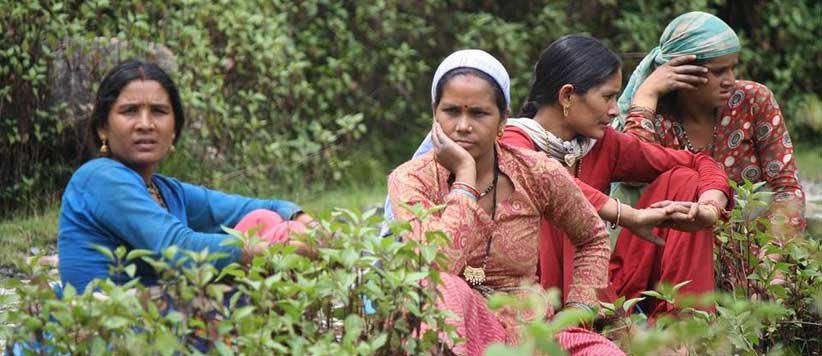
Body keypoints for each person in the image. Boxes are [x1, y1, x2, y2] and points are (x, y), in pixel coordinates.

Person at [388, 49, 624, 355]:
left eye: (479, 113)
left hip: (530, 333)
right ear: (434, 113)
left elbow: (592, 237)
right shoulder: (411, 179)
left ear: (504, 119)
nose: (463, 126)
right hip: (451, 329)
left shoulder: (534, 171)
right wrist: (464, 178)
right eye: (451, 111)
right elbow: (436, 265)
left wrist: (577, 312)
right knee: (447, 287)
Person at [500, 35, 731, 317]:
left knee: (683, 179)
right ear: (567, 96)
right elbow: (550, 181)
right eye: (607, 97)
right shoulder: (512, 141)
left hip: (598, 282)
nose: (614, 110)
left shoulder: (602, 143)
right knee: (554, 210)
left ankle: (685, 330)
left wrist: (709, 207)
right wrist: (628, 216)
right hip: (529, 293)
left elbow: (699, 162)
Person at [58, 60, 314, 293]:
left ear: (174, 130)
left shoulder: (165, 191)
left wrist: (306, 223)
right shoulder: (100, 178)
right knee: (273, 244)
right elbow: (175, 246)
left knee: (265, 220)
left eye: (158, 111)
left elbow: (259, 207)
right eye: (130, 111)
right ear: (103, 127)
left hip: (164, 319)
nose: (145, 124)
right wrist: (264, 252)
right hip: (113, 329)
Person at [613, 11, 806, 239]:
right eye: (718, 72)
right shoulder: (656, 117)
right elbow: (633, 176)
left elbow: (786, 189)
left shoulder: (752, 102)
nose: (730, 81)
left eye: (733, 68)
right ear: (683, 72)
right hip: (680, 252)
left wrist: (772, 265)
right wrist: (646, 94)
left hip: (756, 254)